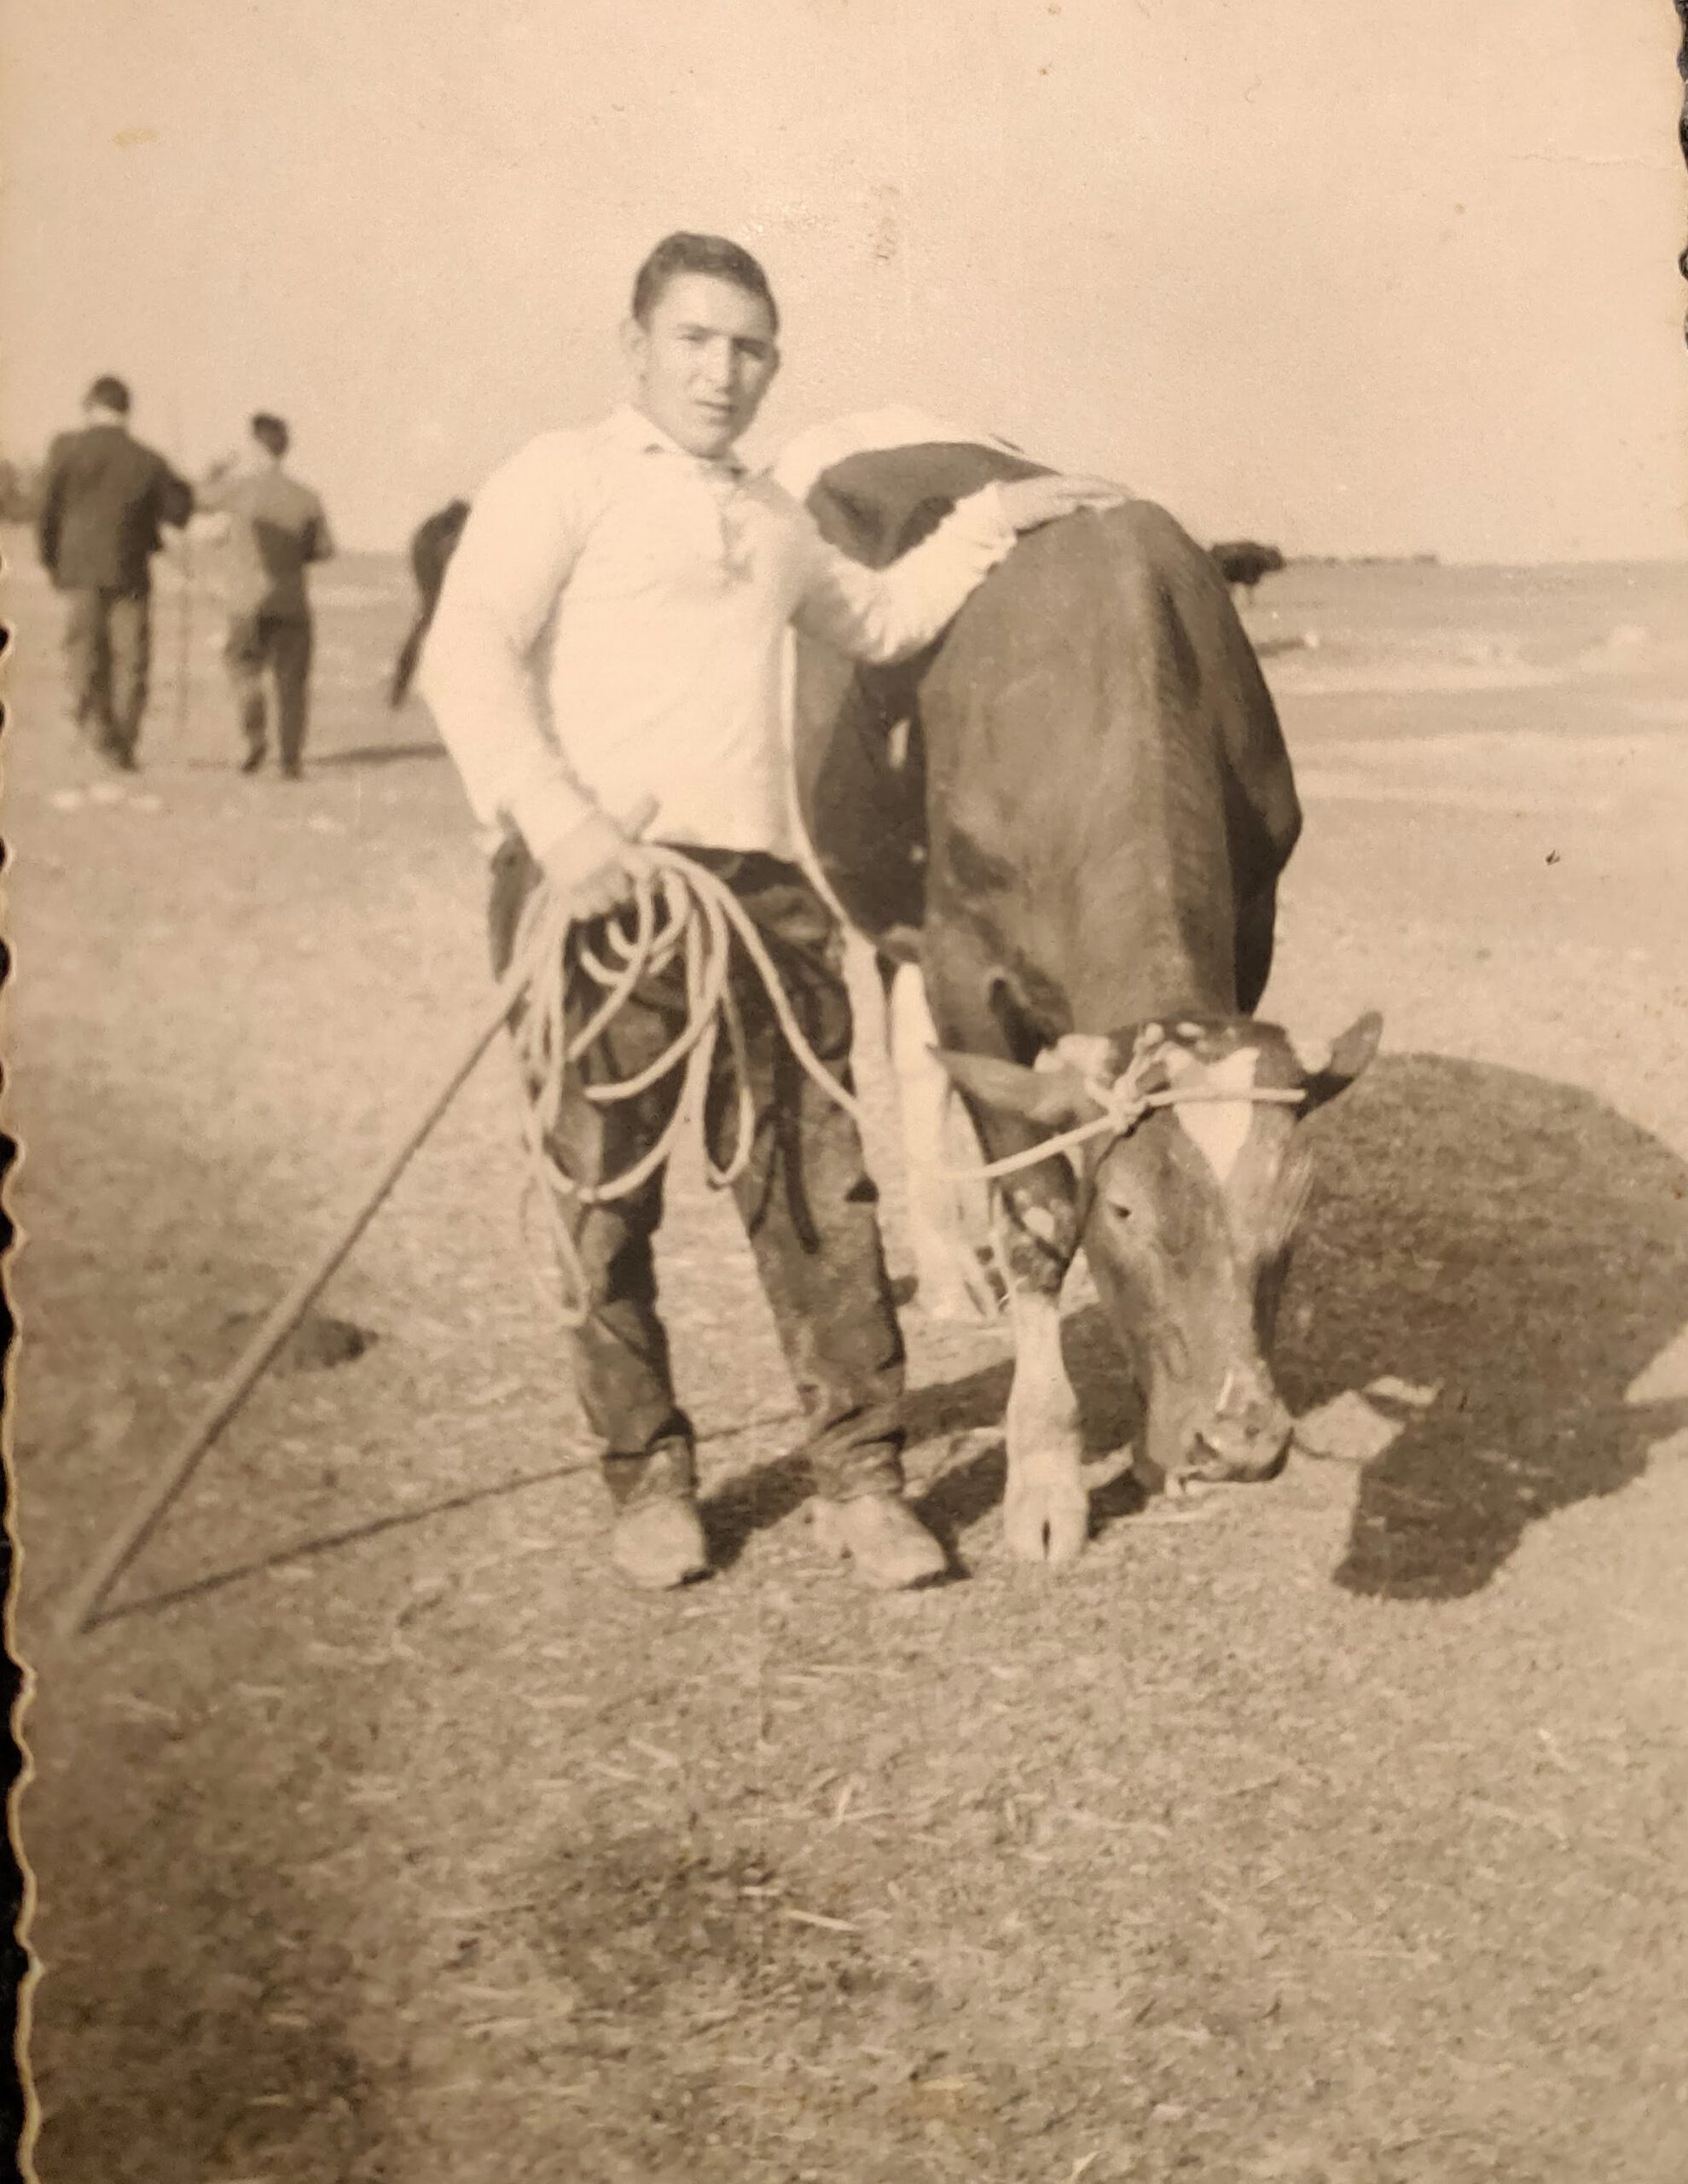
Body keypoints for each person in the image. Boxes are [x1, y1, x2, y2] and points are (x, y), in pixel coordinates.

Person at [421, 231, 1124, 1594]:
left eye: (748, 347)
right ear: (636, 347)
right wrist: (560, 829)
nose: (721, 371)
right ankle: (648, 1481)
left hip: (759, 892)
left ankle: (861, 1483)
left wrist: (991, 522)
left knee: (817, 1194)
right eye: (694, 339)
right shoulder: (561, 477)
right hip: (593, 887)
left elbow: (878, 618)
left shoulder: (767, 518)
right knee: (599, 1199)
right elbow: (466, 652)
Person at [36, 375, 193, 771]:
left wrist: (52, 562)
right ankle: (122, 744)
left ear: (90, 407)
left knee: (84, 653)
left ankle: (97, 730)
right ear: (127, 411)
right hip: (131, 572)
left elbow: (45, 512)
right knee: (131, 659)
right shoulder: (148, 460)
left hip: (79, 570)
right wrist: (185, 488)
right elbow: (179, 513)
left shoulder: (65, 449)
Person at [197, 414, 335, 777]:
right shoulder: (306, 496)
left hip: (246, 602)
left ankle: (254, 734)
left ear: (256, 447)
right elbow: (323, 550)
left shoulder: (239, 488)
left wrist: (216, 467)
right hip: (292, 601)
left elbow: (196, 497)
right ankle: (291, 760)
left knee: (243, 668)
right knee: (292, 682)